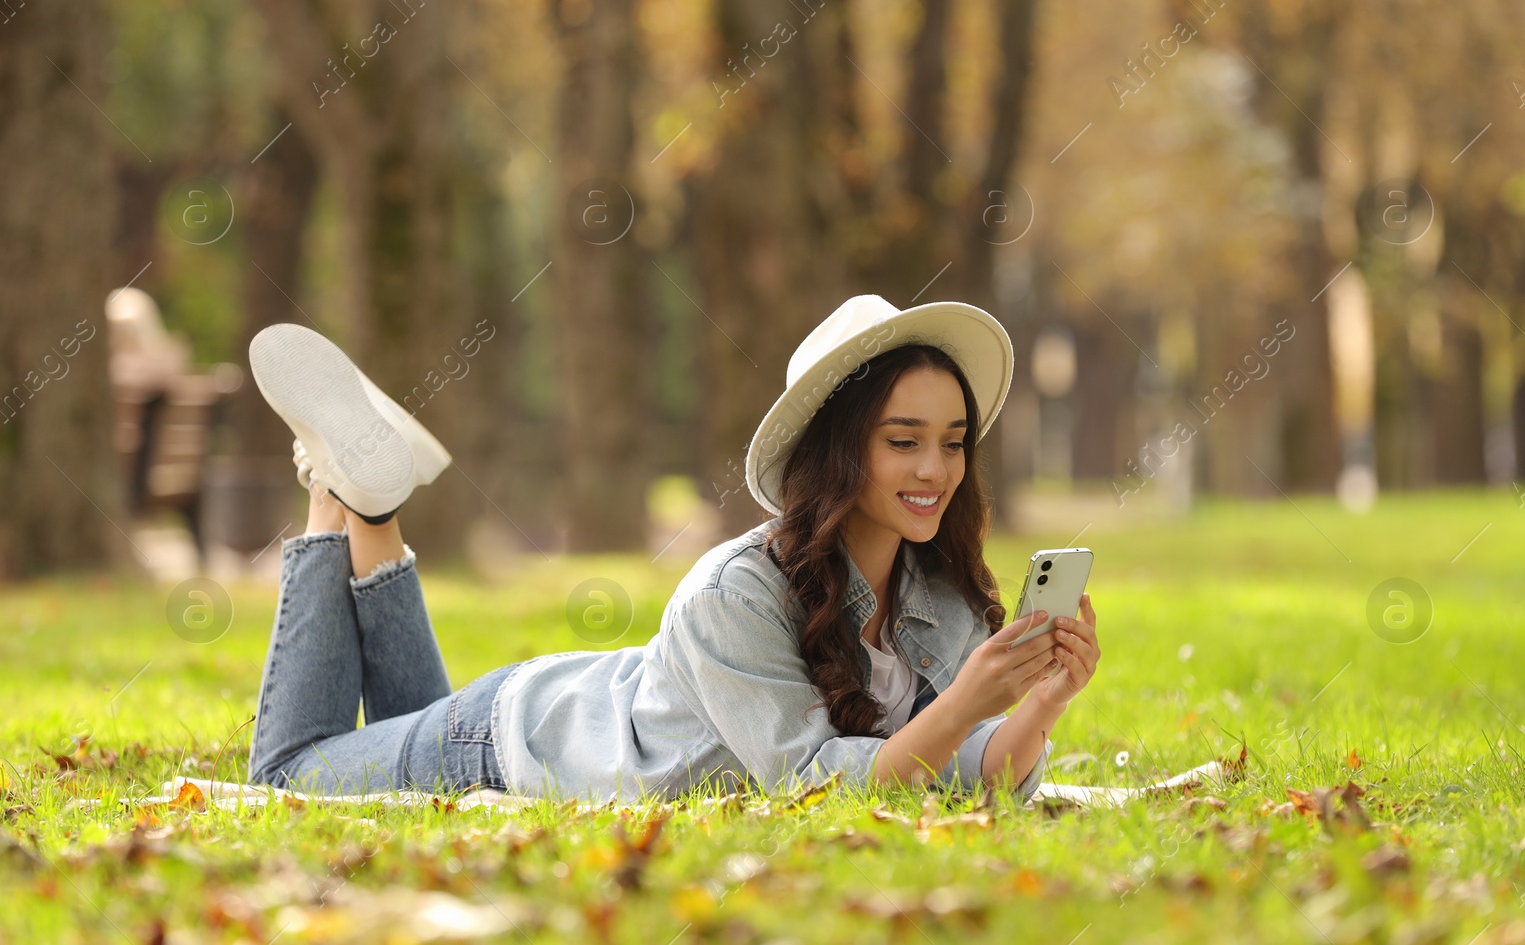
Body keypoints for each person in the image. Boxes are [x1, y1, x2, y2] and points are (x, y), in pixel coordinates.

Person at [244, 295, 1100, 802]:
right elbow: (816, 786)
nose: (935, 468)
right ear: (841, 449)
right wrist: (965, 702)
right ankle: (340, 499)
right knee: (285, 778)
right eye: (902, 439)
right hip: (513, 744)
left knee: (387, 733)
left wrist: (1040, 704)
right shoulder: (733, 589)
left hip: (569, 710)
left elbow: (954, 776)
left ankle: (370, 504)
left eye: (953, 442)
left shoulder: (939, 593)